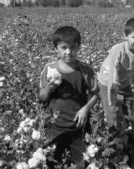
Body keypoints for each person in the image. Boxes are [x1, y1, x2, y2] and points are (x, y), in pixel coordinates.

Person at [39, 26, 99, 169]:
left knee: (82, 163)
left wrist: (86, 109)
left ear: (79, 47)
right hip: (54, 127)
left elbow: (95, 94)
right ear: (56, 48)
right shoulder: (49, 69)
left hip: (78, 127)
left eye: (73, 47)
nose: (69, 52)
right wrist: (49, 88)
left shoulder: (86, 70)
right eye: (64, 47)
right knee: (51, 162)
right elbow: (42, 98)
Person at [97, 18, 134, 168]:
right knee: (114, 116)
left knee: (133, 115)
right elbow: (114, 78)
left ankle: (130, 145)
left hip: (125, 84)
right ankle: (117, 154)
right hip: (108, 83)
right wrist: (115, 102)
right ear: (125, 36)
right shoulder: (117, 50)